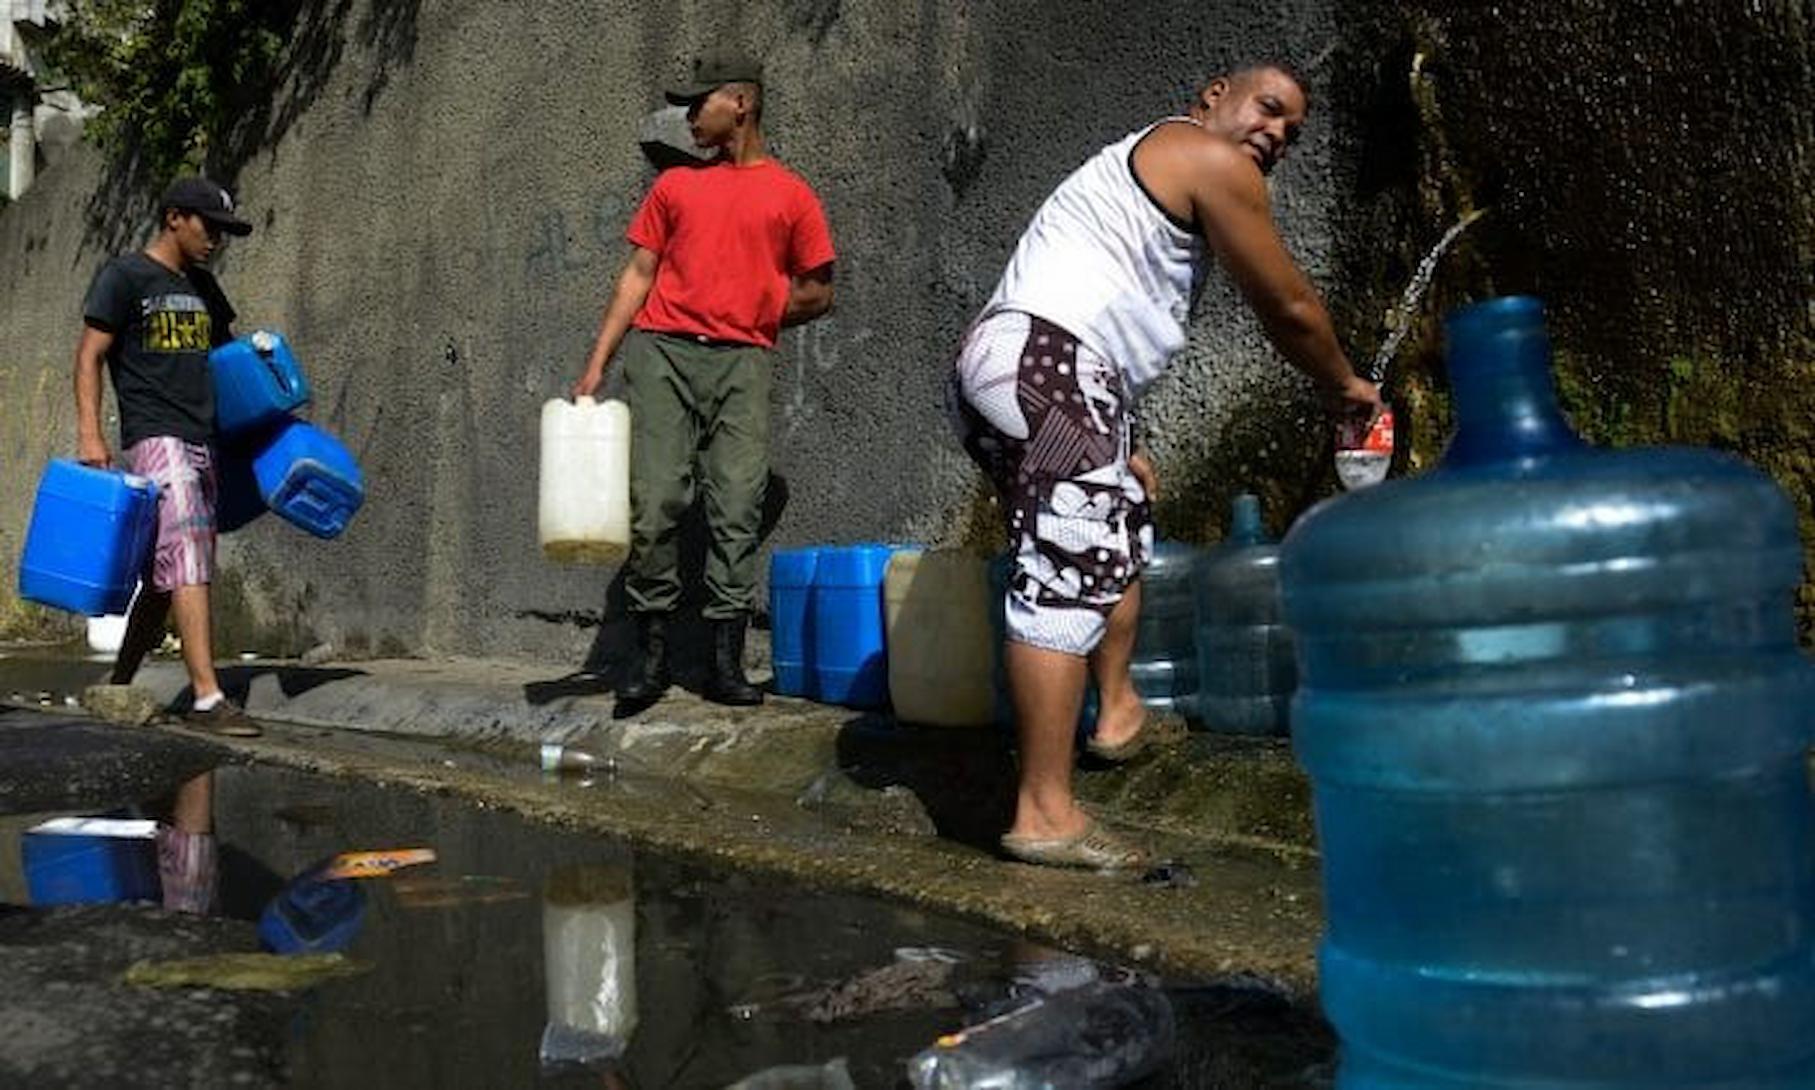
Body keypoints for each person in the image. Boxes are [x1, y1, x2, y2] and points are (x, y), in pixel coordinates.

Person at [952, 63, 1383, 869]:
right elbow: (1288, 307)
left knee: (1115, 520)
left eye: (1291, 130)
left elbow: (1098, 303)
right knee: (1067, 570)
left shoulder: (1138, 169)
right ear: (1213, 94)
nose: (1278, 133)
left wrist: (1121, 434)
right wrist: (1343, 386)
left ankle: (1117, 714)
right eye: (1269, 108)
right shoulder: (1202, 157)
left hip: (1030, 364)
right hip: (1047, 363)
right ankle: (1044, 812)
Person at [573, 49, 836, 709]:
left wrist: (755, 306)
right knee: (656, 498)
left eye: (700, 102)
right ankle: (653, 657)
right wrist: (600, 359)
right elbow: (637, 274)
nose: (688, 115)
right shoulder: (675, 187)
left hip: (742, 358)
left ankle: (723, 663)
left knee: (737, 502)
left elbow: (818, 292)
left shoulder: (791, 195)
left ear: (740, 104)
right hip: (661, 352)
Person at [73, 175, 262, 739]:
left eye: (225, 232)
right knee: (187, 555)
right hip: (157, 436)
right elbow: (89, 357)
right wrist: (90, 435)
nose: (217, 241)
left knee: (165, 577)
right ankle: (207, 698)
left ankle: (119, 681)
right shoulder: (125, 276)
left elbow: (231, 363)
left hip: (204, 439)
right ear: (175, 216)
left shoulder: (204, 288)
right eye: (210, 227)